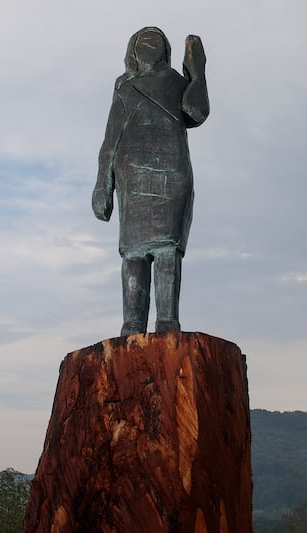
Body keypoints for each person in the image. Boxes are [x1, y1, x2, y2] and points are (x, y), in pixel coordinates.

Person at [92, 26, 209, 336]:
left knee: (167, 248)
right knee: (133, 251)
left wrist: (197, 74)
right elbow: (109, 141)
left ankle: (168, 322)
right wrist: (103, 182)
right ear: (132, 49)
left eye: (155, 40)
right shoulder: (125, 88)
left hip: (172, 172)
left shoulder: (175, 83)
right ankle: (132, 325)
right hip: (132, 175)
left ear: (165, 49)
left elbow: (196, 112)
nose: (149, 45)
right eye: (143, 40)